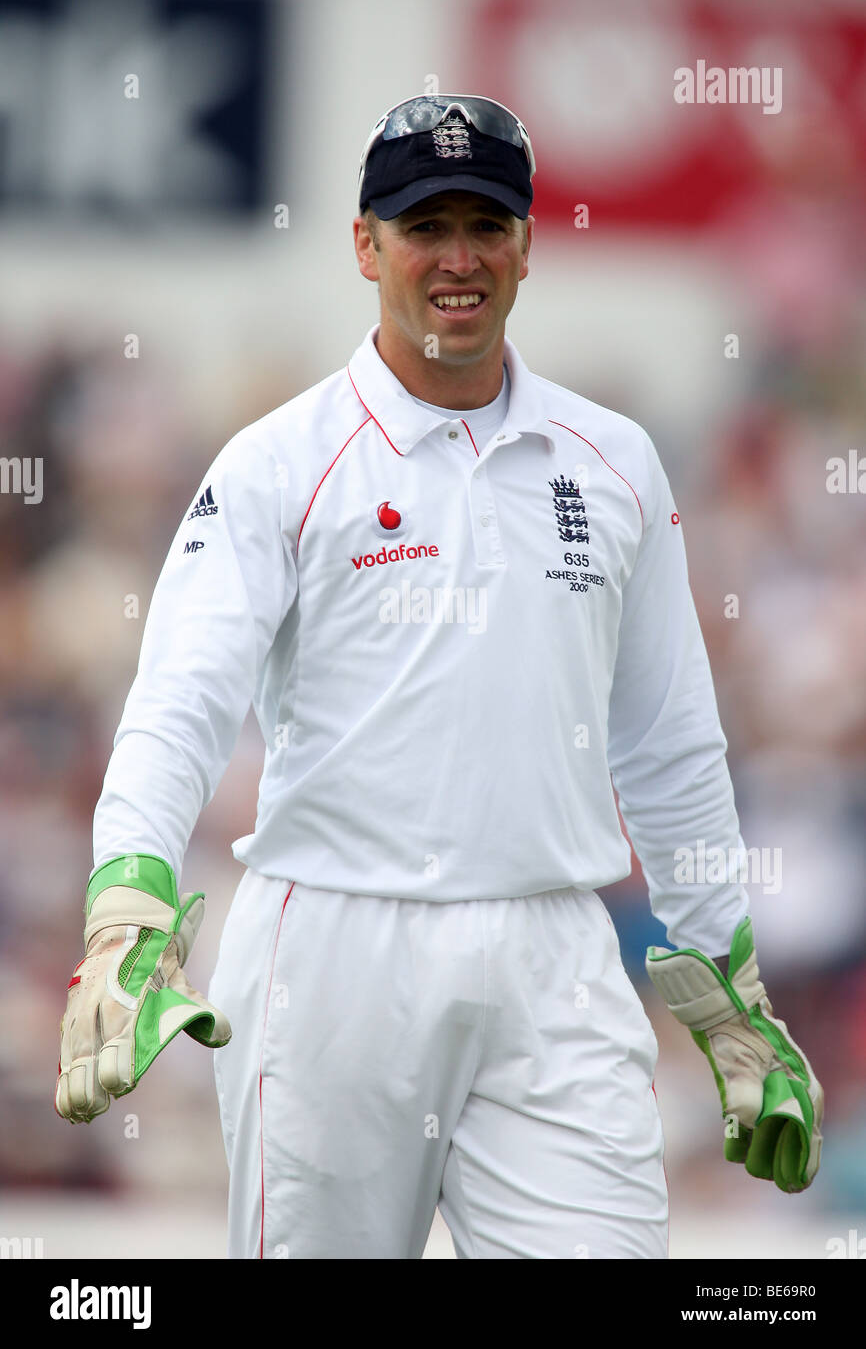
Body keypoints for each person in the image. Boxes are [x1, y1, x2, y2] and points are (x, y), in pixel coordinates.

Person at [55, 94, 823, 1260]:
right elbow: (181, 702)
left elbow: (668, 742)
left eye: (484, 223)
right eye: (423, 227)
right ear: (366, 246)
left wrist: (727, 981)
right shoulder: (277, 465)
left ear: (525, 243)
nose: (455, 259)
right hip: (331, 955)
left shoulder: (612, 461)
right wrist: (126, 906)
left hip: (553, 957)